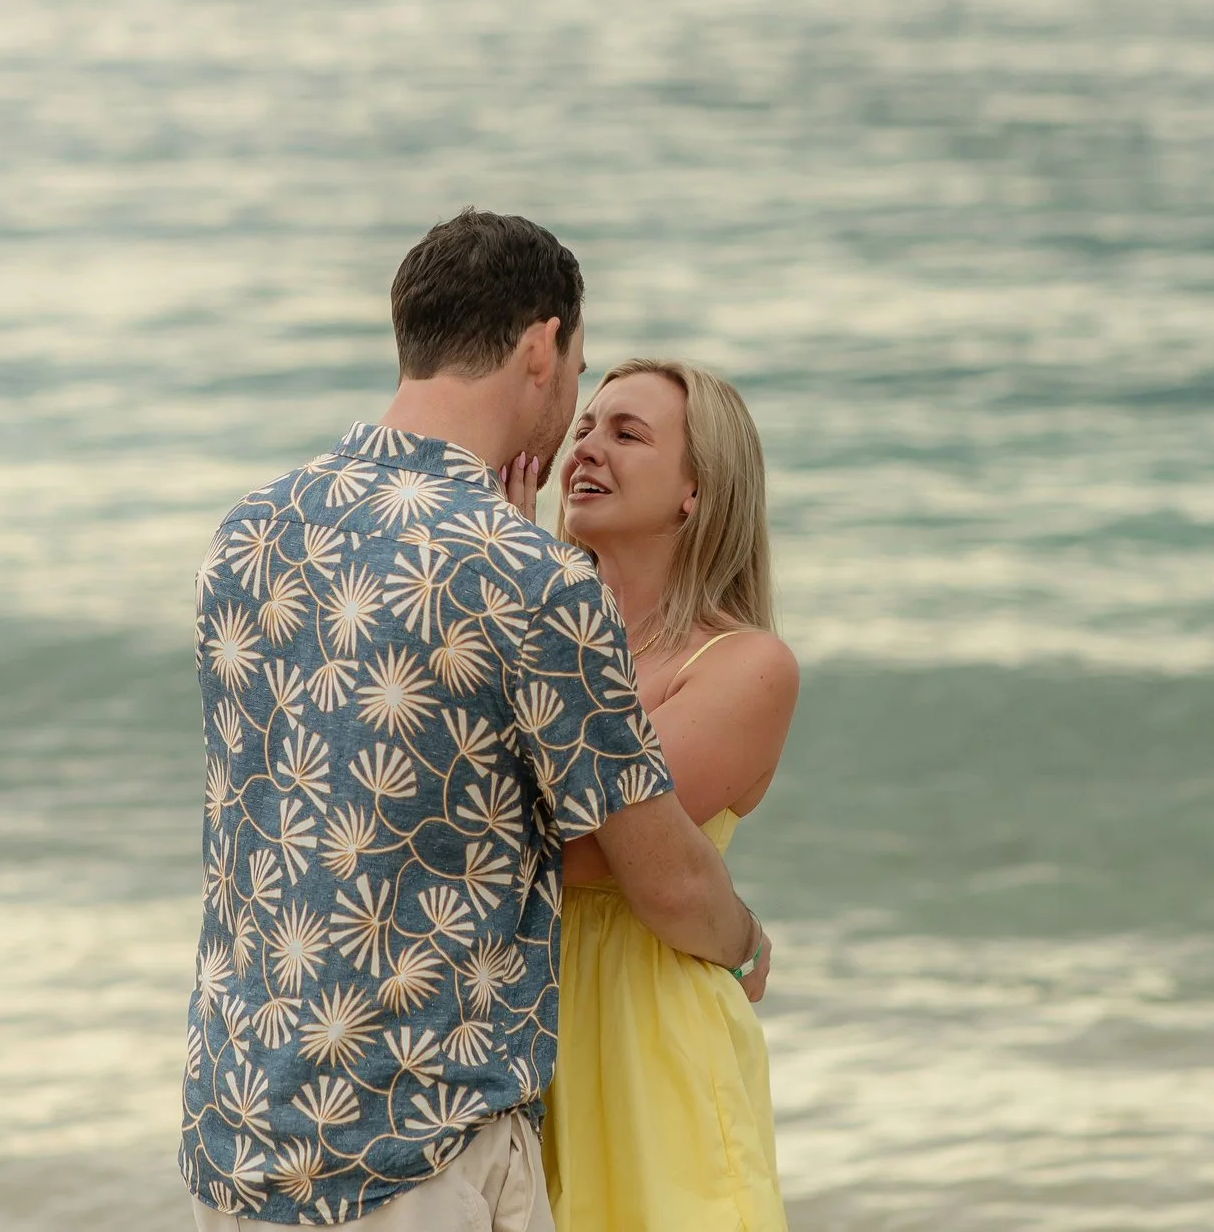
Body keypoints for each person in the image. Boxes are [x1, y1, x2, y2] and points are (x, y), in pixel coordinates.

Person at [179, 210, 767, 1231]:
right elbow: (663, 875)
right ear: (541, 348)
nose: (576, 409)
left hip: (240, 1129)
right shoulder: (529, 577)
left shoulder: (250, 529)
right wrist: (750, 937)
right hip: (420, 1145)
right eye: (580, 374)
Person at [514, 358, 800, 1232]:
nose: (586, 449)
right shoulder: (535, 632)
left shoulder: (745, 665)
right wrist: (523, 589)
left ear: (695, 491)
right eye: (586, 428)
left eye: (628, 434)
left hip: (651, 1041)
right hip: (518, 1028)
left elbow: (590, 845)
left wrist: (527, 595)